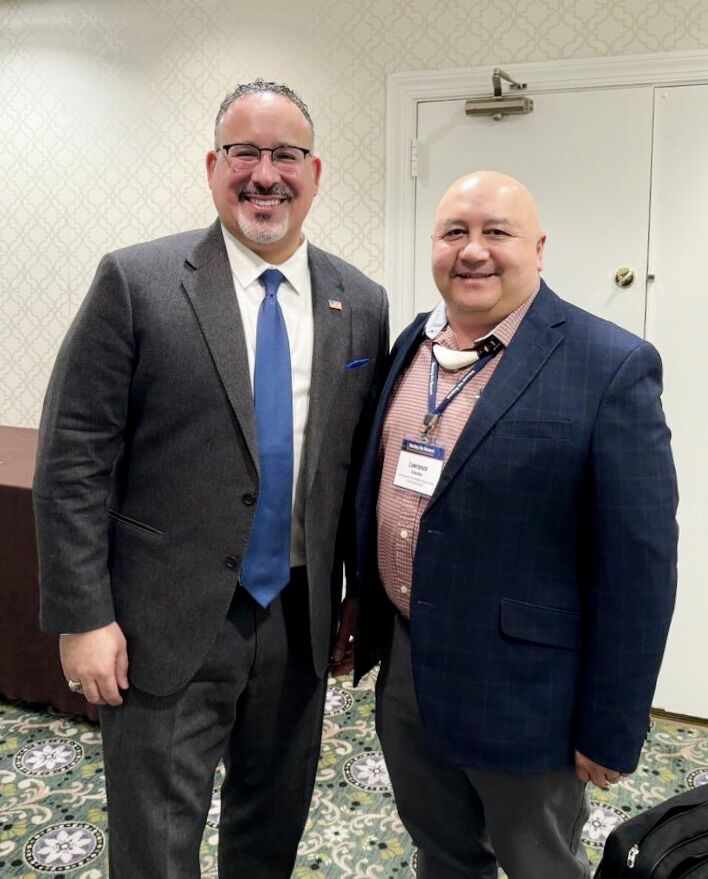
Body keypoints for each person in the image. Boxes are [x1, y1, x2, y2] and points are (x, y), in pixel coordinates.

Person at [33, 79, 388, 878]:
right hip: (160, 620)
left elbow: (358, 464)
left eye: (285, 154)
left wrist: (358, 594)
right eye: (244, 153)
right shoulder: (137, 282)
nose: (265, 174)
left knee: (272, 824)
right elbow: (74, 456)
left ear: (316, 170)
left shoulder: (359, 302)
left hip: (297, 620)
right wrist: (83, 614)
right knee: (157, 845)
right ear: (213, 166)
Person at [354, 171, 677, 879]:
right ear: (432, 246)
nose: (473, 251)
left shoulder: (610, 364)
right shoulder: (413, 343)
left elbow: (640, 569)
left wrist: (613, 725)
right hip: (409, 665)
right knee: (441, 850)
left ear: (538, 247)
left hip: (529, 689)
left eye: (496, 232)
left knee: (541, 863)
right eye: (454, 232)